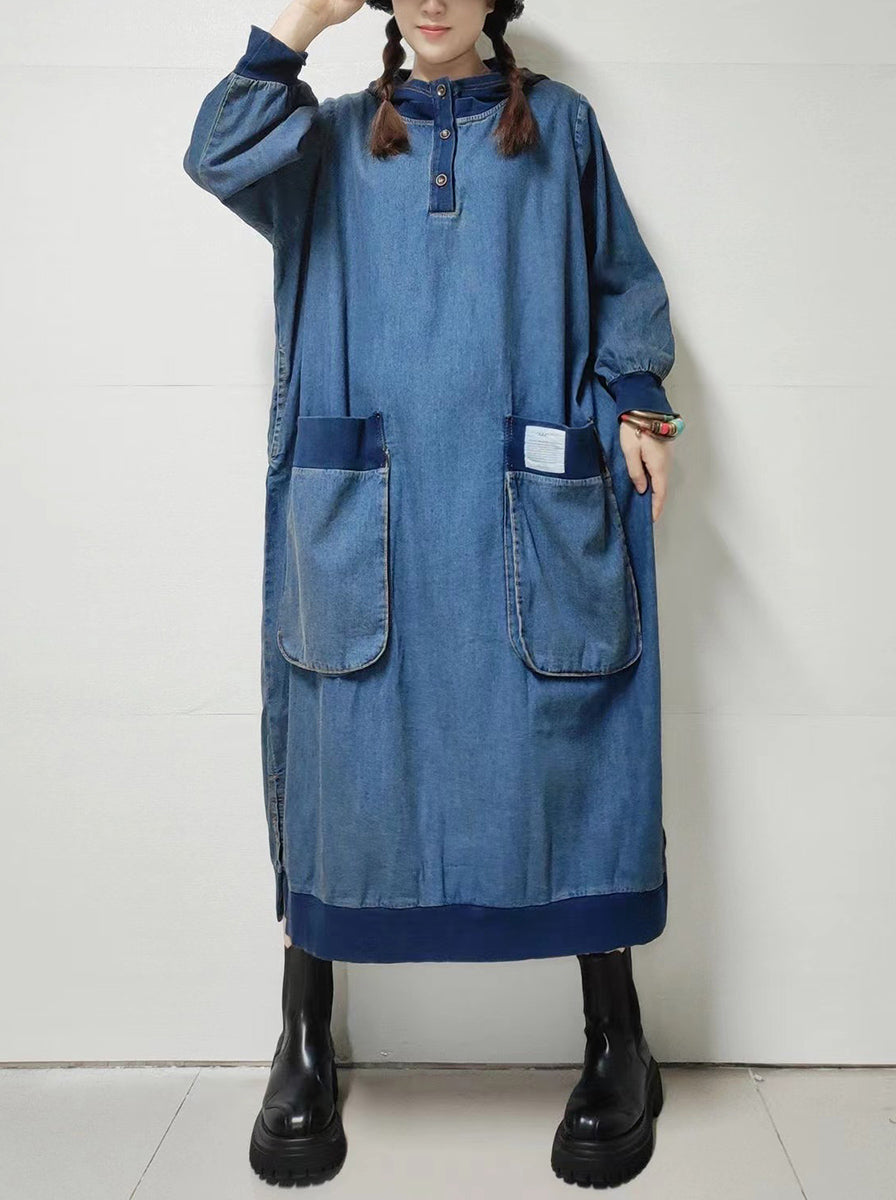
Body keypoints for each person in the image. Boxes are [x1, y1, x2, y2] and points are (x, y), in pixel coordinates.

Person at [183, 0, 684, 1187]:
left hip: (523, 501)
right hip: (372, 510)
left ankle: (617, 1034)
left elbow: (620, 278)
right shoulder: (324, 138)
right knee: (339, 743)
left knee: (573, 733)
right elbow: (215, 153)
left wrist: (639, 398)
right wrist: (298, 24)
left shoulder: (561, 129)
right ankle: (304, 1034)